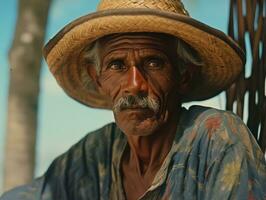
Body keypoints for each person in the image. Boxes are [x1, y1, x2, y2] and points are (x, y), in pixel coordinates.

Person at [1, 0, 266, 199]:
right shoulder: (97, 153)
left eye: (153, 62)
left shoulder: (216, 138)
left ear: (183, 75)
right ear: (98, 79)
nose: (135, 85)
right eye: (117, 65)